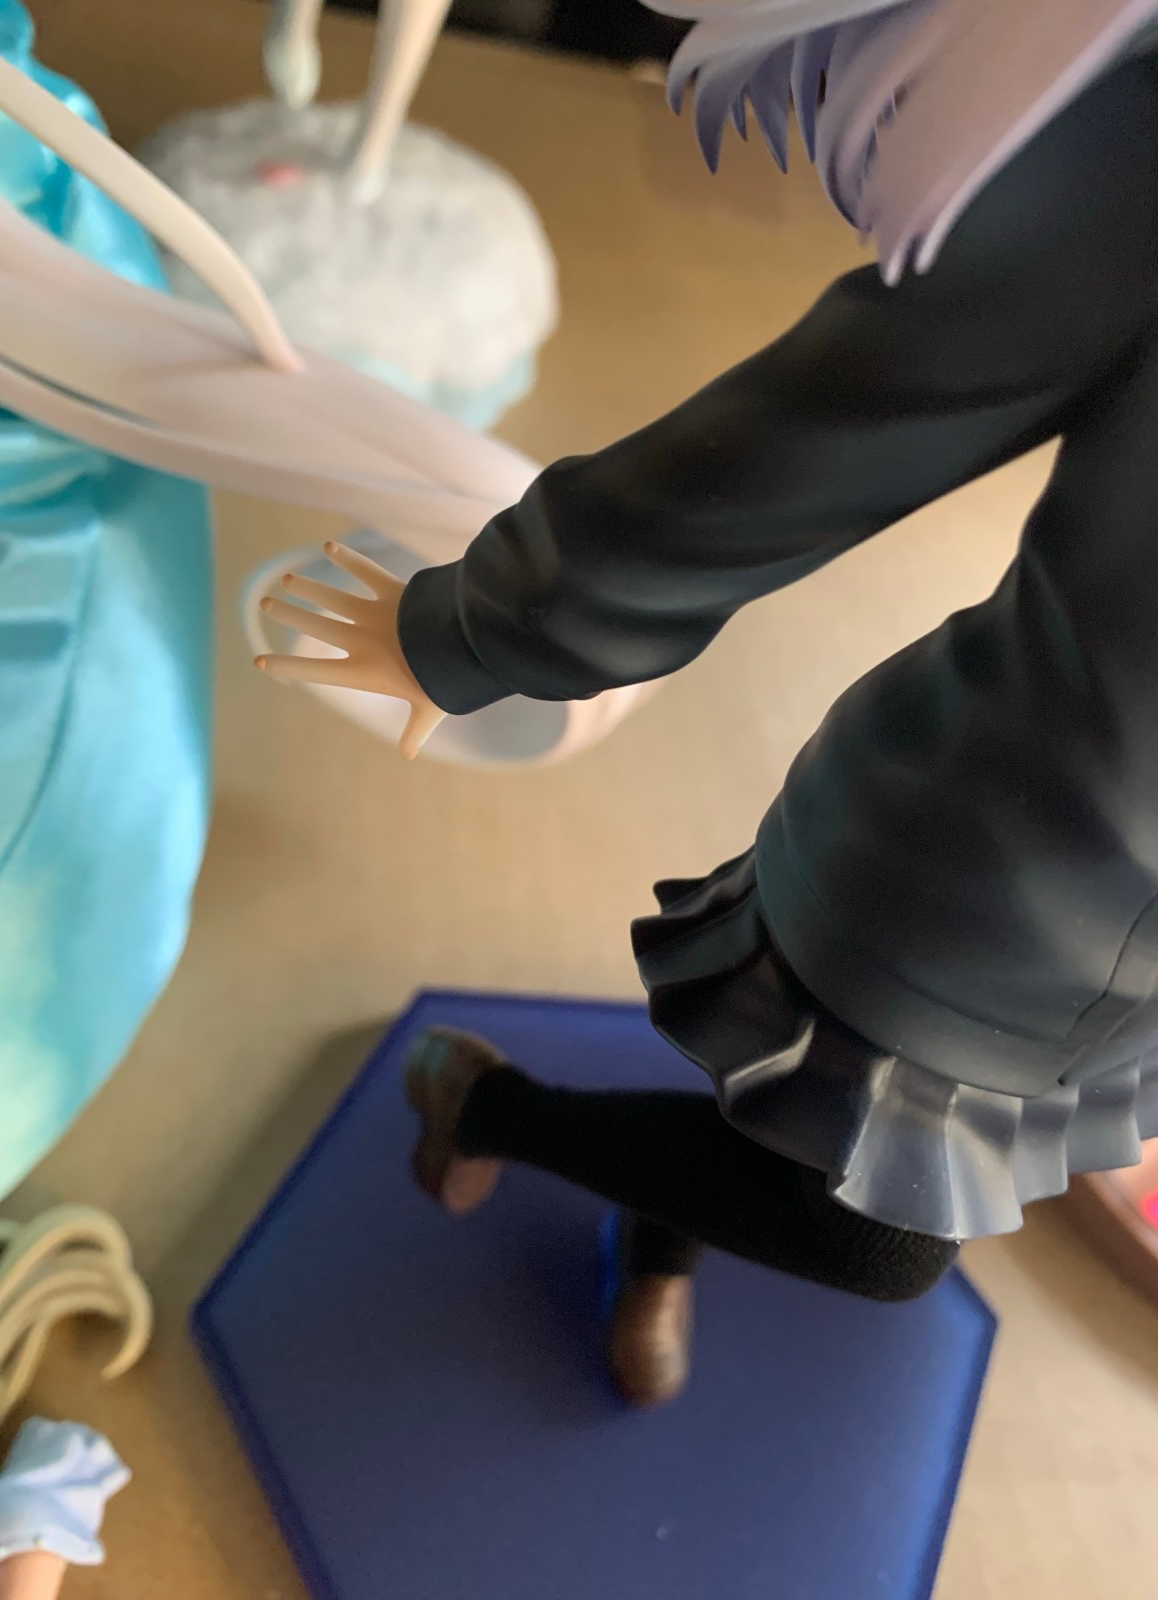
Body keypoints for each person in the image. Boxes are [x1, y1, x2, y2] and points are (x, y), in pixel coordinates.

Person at [264, 0, 1158, 1404]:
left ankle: (654, 1217)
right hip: (983, 883)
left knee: (799, 1128)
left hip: (1127, 975)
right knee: (875, 1238)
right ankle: (490, 1105)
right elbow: (834, 423)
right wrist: (482, 624)